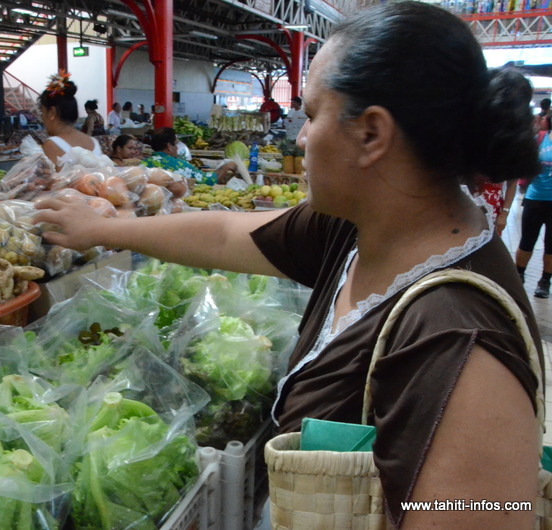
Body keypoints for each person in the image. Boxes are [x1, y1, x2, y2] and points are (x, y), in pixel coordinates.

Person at [34, 3, 541, 528]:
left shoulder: (461, 344)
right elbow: (228, 233)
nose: (299, 137)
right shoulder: (359, 227)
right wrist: (101, 229)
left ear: (372, 134)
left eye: (314, 114)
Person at [38, 72, 103, 169]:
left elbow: (48, 182)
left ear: (52, 113)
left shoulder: (52, 144)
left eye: (42, 112)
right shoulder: (94, 142)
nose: (42, 118)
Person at [515, 127, 552, 298]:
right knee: (527, 241)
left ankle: (545, 281)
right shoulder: (540, 139)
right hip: (535, 198)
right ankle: (518, 276)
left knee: (551, 245)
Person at [140, 127, 234, 183]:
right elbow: (209, 180)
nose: (177, 148)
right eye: (175, 144)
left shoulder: (143, 165)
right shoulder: (180, 166)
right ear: (169, 146)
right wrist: (226, 167)